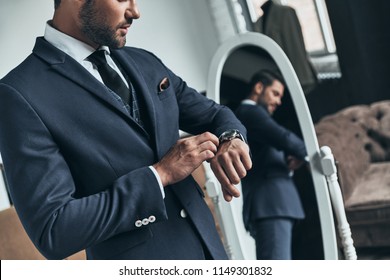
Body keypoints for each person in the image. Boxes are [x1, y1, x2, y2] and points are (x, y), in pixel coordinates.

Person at [0, 0, 251, 260]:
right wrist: (159, 176)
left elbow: (216, 114)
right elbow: (53, 231)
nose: (135, 12)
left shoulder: (145, 61)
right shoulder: (19, 94)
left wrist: (231, 138)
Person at [235, 69, 307, 260]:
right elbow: (284, 138)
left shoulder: (253, 116)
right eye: (275, 93)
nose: (278, 101)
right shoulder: (249, 112)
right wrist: (307, 151)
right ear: (259, 87)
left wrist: (290, 159)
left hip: (275, 205)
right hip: (271, 205)